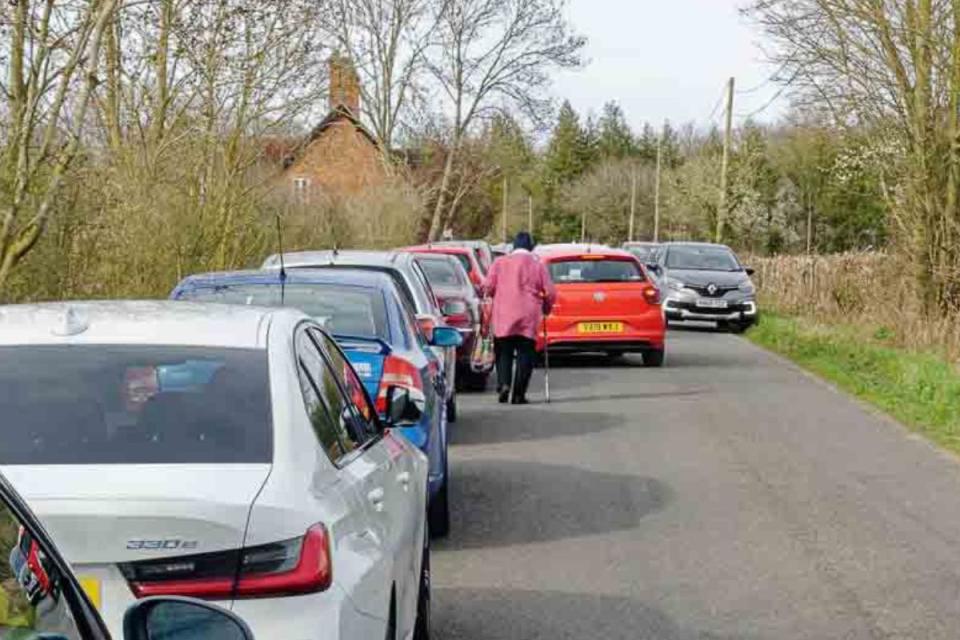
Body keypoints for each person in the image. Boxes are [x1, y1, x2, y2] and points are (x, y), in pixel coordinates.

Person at [482, 231, 556, 404]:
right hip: (528, 316)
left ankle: (504, 383)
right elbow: (551, 292)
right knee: (525, 355)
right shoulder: (538, 265)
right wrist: (546, 307)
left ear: (513, 246)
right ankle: (518, 395)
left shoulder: (500, 262)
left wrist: (494, 293)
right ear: (531, 246)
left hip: (504, 315)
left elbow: (488, 287)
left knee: (503, 352)